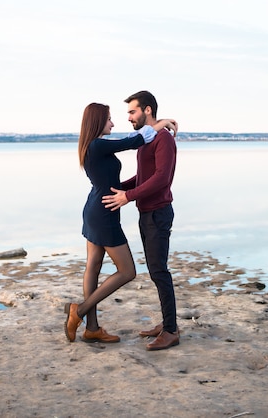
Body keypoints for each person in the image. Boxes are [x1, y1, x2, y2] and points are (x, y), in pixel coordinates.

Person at [64, 102, 177, 344]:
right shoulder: (98, 144)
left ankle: (92, 328)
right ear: (97, 122)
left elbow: (129, 139)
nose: (113, 123)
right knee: (127, 271)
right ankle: (80, 311)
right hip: (104, 214)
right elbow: (135, 141)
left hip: (96, 207)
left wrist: (126, 190)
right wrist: (162, 124)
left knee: (93, 266)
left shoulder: (92, 145)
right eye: (109, 119)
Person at [101, 91, 179, 351]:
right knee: (156, 271)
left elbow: (161, 178)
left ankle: (170, 331)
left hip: (158, 213)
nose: (129, 118)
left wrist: (128, 197)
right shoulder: (147, 139)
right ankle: (168, 323)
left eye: (132, 112)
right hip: (146, 213)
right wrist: (117, 189)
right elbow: (143, 176)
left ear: (147, 110)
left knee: (159, 271)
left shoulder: (164, 139)